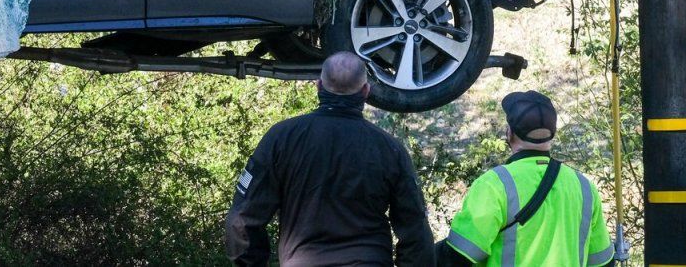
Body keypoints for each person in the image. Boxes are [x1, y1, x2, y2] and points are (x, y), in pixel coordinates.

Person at [225, 51, 434, 266]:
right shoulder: (390, 149)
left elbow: (242, 219)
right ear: (365, 91)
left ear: (318, 87)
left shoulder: (281, 138)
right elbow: (415, 229)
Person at [437, 90, 614, 266]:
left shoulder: (494, 184)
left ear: (509, 133)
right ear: (552, 133)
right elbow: (603, 262)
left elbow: (459, 256)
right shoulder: (584, 187)